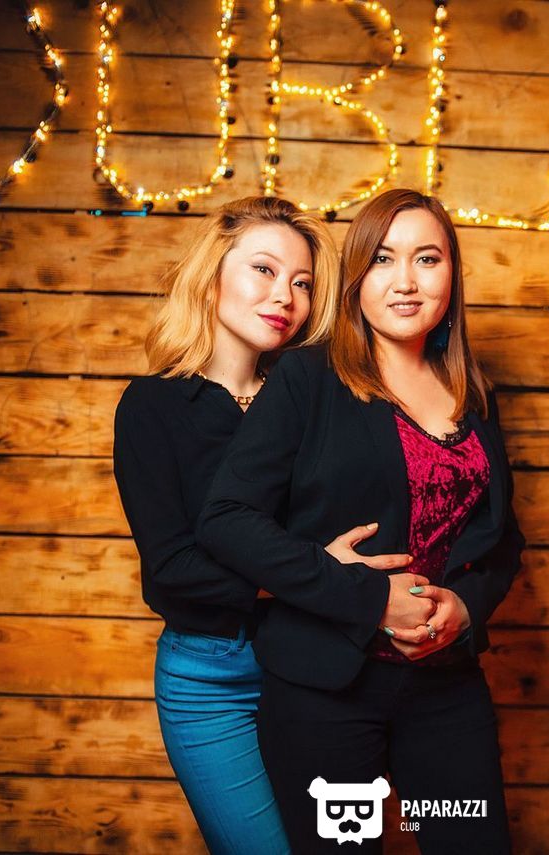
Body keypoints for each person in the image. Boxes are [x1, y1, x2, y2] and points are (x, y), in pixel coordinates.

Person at [198, 188, 525, 853]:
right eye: (382, 258)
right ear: (355, 277)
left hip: (444, 687)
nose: (405, 281)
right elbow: (226, 517)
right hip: (327, 692)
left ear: (452, 274)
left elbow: (502, 540)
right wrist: (369, 597)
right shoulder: (309, 378)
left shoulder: (473, 393)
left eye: (426, 259)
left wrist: (465, 607)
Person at [113, 196, 433, 855]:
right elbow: (172, 572)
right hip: (214, 678)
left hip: (322, 663)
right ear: (212, 275)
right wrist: (319, 575)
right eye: (263, 269)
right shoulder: (153, 406)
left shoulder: (317, 393)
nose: (285, 296)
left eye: (303, 282)